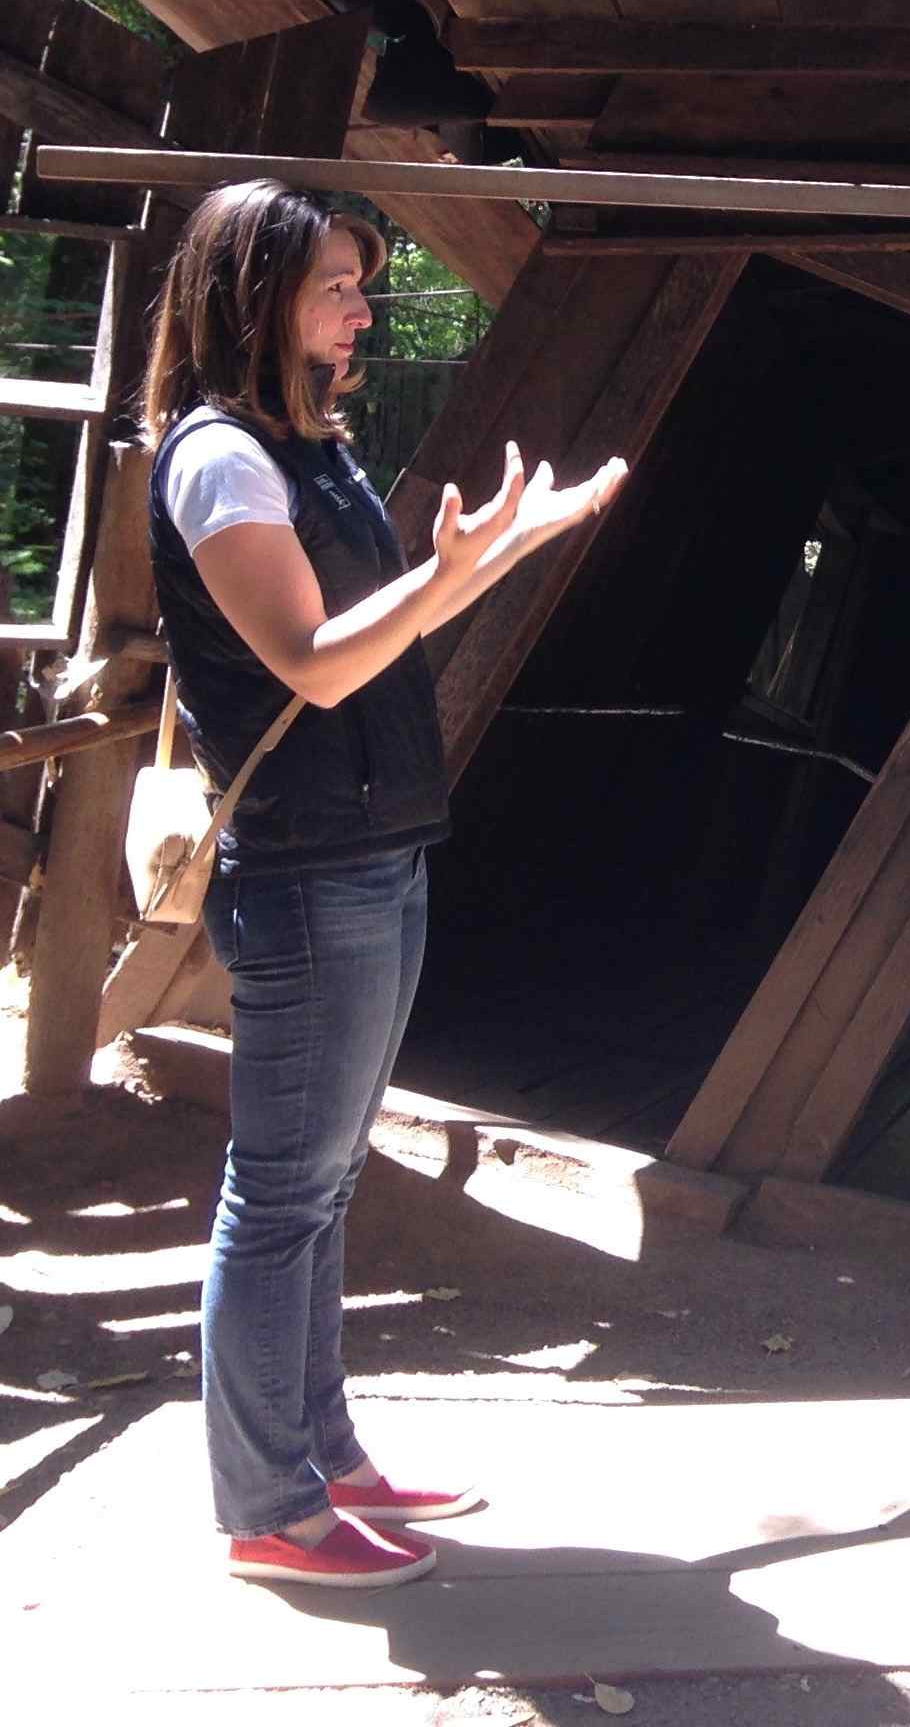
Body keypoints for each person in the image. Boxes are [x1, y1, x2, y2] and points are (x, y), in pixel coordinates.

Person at [143, 180, 627, 1588]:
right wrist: (450, 574)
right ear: (257, 296)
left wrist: (517, 545)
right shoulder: (222, 461)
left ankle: (325, 1458)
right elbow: (314, 660)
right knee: (281, 1189)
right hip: (304, 868)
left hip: (373, 847)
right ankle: (266, 1508)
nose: (361, 311)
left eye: (362, 284)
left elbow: (387, 626)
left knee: (324, 1180)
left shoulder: (312, 446)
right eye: (338, 287)